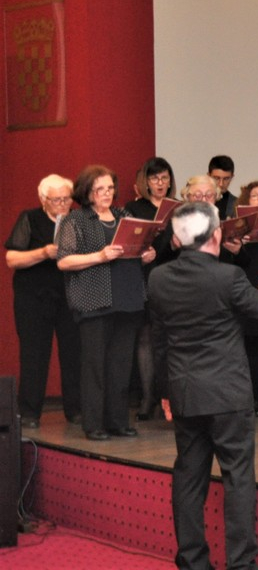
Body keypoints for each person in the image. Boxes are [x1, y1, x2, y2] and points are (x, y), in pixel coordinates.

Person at [148, 201, 258, 570]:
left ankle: (192, 561)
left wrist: (165, 391)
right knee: (238, 477)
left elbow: (160, 341)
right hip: (227, 394)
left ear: (177, 240)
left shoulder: (158, 279)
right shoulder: (228, 277)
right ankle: (241, 564)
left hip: (185, 393)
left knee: (189, 479)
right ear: (217, 235)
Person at [56, 165, 156, 440]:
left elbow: (136, 250)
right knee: (95, 366)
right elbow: (64, 260)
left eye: (110, 188)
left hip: (128, 297)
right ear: (87, 192)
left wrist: (146, 255)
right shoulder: (75, 220)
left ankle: (118, 421)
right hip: (94, 300)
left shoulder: (124, 216)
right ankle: (94, 424)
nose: (106, 193)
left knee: (121, 365)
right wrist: (99, 256)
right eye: (99, 189)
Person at [6, 174, 80, 429]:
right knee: (34, 354)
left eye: (67, 199)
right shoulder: (30, 218)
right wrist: (43, 252)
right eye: (57, 200)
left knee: (73, 353)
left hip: (69, 295)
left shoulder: (76, 220)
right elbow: (12, 259)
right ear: (43, 199)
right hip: (33, 298)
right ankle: (29, 411)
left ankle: (76, 409)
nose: (63, 204)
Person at [123, 157, 180, 422]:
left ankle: (172, 397)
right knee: (146, 337)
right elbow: (128, 241)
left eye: (164, 178)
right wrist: (144, 252)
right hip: (144, 275)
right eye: (155, 178)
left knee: (173, 339)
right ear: (145, 182)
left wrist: (171, 245)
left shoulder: (177, 208)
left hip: (172, 276)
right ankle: (147, 398)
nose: (160, 183)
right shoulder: (134, 208)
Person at [220, 181, 258, 417]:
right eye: (256, 196)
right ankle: (255, 396)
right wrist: (238, 248)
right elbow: (234, 262)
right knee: (252, 341)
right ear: (247, 200)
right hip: (247, 281)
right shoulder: (238, 222)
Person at [208, 155, 236, 219]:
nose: (221, 184)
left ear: (232, 177)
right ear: (208, 176)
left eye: (226, 179)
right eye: (216, 178)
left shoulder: (237, 204)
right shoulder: (198, 202)